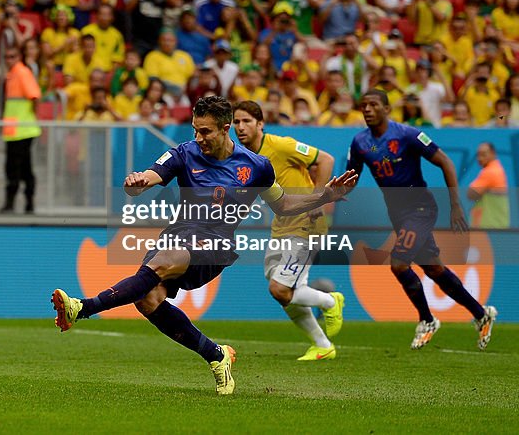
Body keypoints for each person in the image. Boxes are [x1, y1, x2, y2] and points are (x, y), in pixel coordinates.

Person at [51, 96, 358, 395]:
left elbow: (284, 204)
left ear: (225, 129)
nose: (198, 137)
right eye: (195, 129)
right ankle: (216, 355)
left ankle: (82, 307)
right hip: (178, 234)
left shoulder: (257, 166)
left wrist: (325, 196)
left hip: (216, 244)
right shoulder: (185, 152)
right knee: (148, 300)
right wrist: (138, 184)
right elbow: (152, 174)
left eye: (206, 131)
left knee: (161, 264)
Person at [348, 90, 497, 350]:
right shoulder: (360, 142)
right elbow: (352, 177)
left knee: (398, 263)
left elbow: (446, 162)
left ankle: (427, 320)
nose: (368, 109)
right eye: (363, 106)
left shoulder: (408, 135)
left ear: (387, 108)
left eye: (373, 105)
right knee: (434, 268)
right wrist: (334, 193)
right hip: (397, 214)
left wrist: (455, 205)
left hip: (420, 208)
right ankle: (481, 314)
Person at [233, 101, 344, 361]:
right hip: (282, 226)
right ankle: (322, 345)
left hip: (307, 224)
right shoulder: (244, 157)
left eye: (246, 121)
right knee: (285, 295)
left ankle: (331, 301)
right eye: (236, 122)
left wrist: (319, 199)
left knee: (280, 288)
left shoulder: (281, 145)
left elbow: (325, 159)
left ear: (260, 124)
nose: (240, 127)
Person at [0, 44, 40, 214]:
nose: (9, 60)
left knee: (19, 168)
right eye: (7, 57)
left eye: (13, 56)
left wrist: (31, 117)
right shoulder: (11, 75)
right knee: (16, 167)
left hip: (23, 130)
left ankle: (24, 203)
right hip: (13, 131)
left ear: (19, 57)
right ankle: (20, 203)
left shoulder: (22, 72)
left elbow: (35, 96)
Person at [467, 142, 509, 229]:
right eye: (478, 155)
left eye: (483, 154)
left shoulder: (490, 172)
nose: (480, 158)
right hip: (497, 224)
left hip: (488, 226)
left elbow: (470, 193)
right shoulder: (498, 169)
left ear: (493, 154)